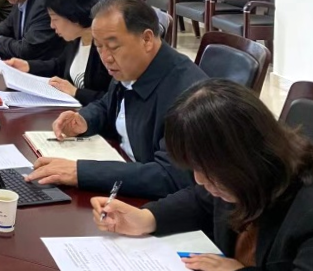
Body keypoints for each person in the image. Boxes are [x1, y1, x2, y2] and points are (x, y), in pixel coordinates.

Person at [92, 80, 313, 270]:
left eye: (206, 170)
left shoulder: (305, 206)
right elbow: (201, 201)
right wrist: (146, 219)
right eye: (195, 168)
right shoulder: (240, 175)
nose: (199, 179)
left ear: (245, 153)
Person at [24, 0, 207, 199]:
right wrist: (84, 120)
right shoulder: (132, 67)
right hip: (123, 168)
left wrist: (80, 173)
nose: (105, 58)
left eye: (113, 47)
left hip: (157, 201)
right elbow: (107, 104)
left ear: (147, 39)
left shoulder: (188, 95)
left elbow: (170, 177)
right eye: (99, 47)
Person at [3, 0, 110, 106]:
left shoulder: (105, 48)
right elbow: (59, 65)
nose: (52, 25)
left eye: (54, 19)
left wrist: (76, 92)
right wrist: (28, 66)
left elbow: (113, 98)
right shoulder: (76, 38)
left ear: (73, 16)